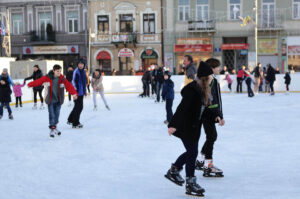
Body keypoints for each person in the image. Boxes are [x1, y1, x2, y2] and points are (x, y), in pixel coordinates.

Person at [165, 61, 224, 197]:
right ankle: (190, 183)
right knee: (192, 153)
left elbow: (203, 110)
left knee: (191, 152)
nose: (212, 79)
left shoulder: (203, 91)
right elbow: (182, 108)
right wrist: (173, 125)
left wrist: (216, 116)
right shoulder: (193, 91)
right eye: (210, 77)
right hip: (186, 126)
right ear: (204, 79)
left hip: (193, 127)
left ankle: (174, 170)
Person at [28, 65, 78, 137]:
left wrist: (74, 94)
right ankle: (52, 129)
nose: (59, 72)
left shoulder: (62, 79)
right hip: (50, 100)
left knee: (57, 115)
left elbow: (69, 86)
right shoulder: (47, 77)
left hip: (59, 100)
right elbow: (39, 81)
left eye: (60, 71)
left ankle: (55, 127)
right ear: (54, 71)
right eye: (57, 71)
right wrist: (30, 84)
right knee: (52, 115)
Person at [195, 58, 225, 177]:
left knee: (211, 136)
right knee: (212, 136)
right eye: (217, 67)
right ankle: (207, 164)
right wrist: (218, 115)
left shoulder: (206, 80)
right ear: (212, 68)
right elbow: (215, 101)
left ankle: (201, 159)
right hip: (209, 113)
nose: (219, 69)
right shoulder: (210, 81)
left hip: (206, 113)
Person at [67, 60, 87, 128]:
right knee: (79, 107)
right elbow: (73, 82)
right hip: (77, 92)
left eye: (82, 64)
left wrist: (85, 91)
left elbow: (84, 83)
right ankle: (75, 123)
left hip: (81, 92)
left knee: (77, 107)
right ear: (77, 65)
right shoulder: (76, 71)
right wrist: (75, 92)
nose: (81, 65)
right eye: (79, 64)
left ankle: (70, 119)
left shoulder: (83, 71)